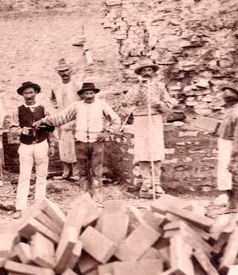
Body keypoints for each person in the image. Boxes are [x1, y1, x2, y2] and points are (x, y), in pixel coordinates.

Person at [34, 83, 120, 203]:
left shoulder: (102, 105)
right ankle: (85, 197)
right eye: (86, 93)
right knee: (83, 172)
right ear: (82, 95)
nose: (89, 96)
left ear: (95, 94)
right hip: (81, 143)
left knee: (96, 171)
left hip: (97, 143)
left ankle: (97, 197)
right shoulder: (76, 106)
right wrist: (44, 120)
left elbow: (116, 120)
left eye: (91, 93)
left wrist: (108, 132)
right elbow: (61, 117)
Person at [121, 59, 175, 197]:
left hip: (155, 119)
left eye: (149, 70)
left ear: (153, 72)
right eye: (144, 70)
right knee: (143, 151)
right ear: (140, 73)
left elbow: (169, 106)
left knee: (156, 151)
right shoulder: (135, 88)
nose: (147, 73)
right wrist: (140, 87)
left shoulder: (160, 86)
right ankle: (146, 182)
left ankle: (156, 183)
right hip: (141, 120)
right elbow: (128, 102)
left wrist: (159, 104)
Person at [10, 81, 56, 219]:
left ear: (36, 92)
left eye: (31, 92)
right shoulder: (17, 110)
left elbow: (51, 128)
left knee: (41, 176)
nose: (29, 96)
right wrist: (20, 131)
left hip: (42, 144)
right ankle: (20, 208)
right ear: (22, 95)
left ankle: (39, 206)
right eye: (26, 93)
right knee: (24, 177)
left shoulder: (44, 109)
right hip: (25, 146)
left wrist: (52, 145)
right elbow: (12, 128)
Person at [216, 85, 238, 214]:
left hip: (231, 146)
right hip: (224, 144)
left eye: (227, 98)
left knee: (232, 176)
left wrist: (235, 157)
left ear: (234, 99)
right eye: (225, 98)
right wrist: (217, 131)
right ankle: (232, 204)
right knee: (224, 177)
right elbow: (225, 127)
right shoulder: (229, 110)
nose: (225, 101)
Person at [49, 58, 82, 181]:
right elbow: (52, 99)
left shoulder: (78, 85)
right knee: (63, 147)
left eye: (66, 70)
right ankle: (66, 173)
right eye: (61, 71)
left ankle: (77, 173)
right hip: (62, 120)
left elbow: (85, 100)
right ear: (58, 73)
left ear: (71, 70)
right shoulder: (56, 87)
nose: (64, 73)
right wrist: (57, 108)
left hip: (76, 120)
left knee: (75, 147)